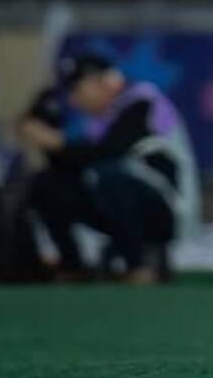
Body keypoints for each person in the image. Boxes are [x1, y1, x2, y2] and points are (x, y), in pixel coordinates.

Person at [18, 54, 199, 283]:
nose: (73, 101)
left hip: (170, 208)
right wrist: (43, 138)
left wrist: (56, 142)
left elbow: (110, 152)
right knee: (48, 183)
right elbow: (75, 163)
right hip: (122, 203)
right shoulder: (99, 121)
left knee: (110, 175)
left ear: (100, 82)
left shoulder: (142, 100)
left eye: (77, 90)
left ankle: (138, 266)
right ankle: (72, 265)